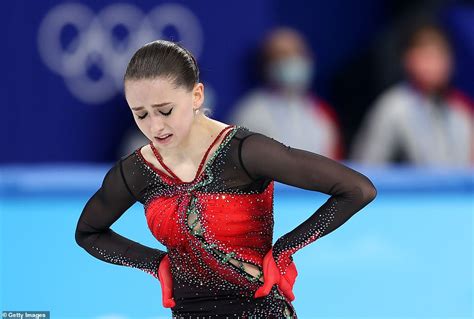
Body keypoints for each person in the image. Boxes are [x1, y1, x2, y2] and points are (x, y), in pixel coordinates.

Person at [75, 40, 377, 318]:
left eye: (165, 111)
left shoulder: (244, 151)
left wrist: (285, 250)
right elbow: (88, 232)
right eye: (141, 115)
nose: (155, 127)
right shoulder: (137, 171)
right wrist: (155, 263)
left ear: (196, 95)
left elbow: (357, 189)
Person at [350, 22, 474, 166]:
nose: (433, 64)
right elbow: (366, 167)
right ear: (409, 60)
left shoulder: (462, 110)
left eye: (440, 55)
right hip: (404, 188)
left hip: (454, 188)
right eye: (426, 56)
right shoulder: (392, 107)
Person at [228, 27, 344, 160]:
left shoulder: (322, 114)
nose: (293, 60)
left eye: (298, 53)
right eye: (282, 55)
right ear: (267, 64)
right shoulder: (250, 112)